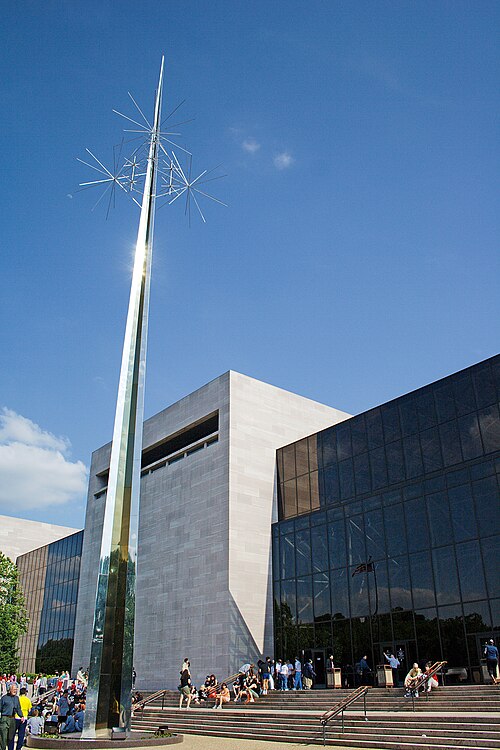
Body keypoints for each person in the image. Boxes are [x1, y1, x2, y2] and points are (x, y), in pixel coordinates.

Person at [0, 684, 25, 750]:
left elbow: (18, 708)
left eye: (16, 690)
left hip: (12, 719)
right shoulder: (4, 698)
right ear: (10, 690)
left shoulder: (16, 698)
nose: (15, 691)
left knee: (10, 737)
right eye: (14, 689)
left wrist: (21, 716)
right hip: (5, 718)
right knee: (3, 737)